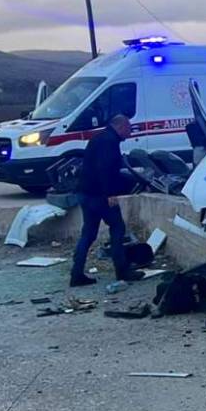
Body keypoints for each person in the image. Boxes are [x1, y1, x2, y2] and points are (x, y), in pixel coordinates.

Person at [70, 114, 144, 287]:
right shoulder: (109, 142)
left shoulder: (100, 138)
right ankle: (122, 270)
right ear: (120, 127)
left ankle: (76, 274)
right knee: (118, 227)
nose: (130, 132)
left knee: (88, 234)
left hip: (86, 193)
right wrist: (110, 194)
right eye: (128, 128)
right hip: (99, 195)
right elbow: (105, 170)